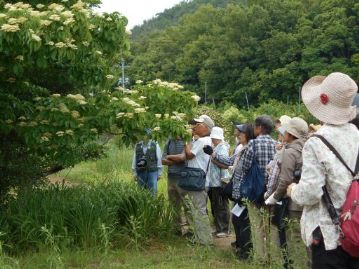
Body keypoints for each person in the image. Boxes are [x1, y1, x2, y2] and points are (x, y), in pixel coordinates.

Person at [286, 72, 359, 269]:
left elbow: (310, 193)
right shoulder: (356, 135)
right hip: (356, 230)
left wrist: (293, 190)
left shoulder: (316, 143)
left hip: (330, 236)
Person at [265, 117, 310, 268]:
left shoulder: (290, 152)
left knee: (295, 239)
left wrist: (274, 197)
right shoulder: (308, 147)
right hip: (309, 200)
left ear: (291, 134)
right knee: (308, 240)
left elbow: (284, 180)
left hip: (294, 202)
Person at [166, 115, 215, 245]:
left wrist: (187, 140)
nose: (194, 126)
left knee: (199, 209)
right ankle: (200, 238)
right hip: (197, 178)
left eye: (198, 125)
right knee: (197, 209)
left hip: (198, 179)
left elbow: (189, 155)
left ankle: (205, 240)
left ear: (206, 127)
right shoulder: (202, 140)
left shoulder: (203, 141)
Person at [206, 127, 230, 238]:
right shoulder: (216, 147)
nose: (213, 140)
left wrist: (213, 155)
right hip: (214, 182)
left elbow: (225, 161)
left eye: (214, 138)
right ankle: (219, 228)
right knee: (216, 205)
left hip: (220, 181)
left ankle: (224, 229)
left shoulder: (222, 147)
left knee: (221, 206)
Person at [162, 137, 187, 234]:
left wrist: (169, 157)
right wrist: (175, 159)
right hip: (171, 176)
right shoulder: (169, 140)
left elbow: (182, 158)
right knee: (173, 203)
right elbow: (162, 160)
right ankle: (176, 228)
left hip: (183, 176)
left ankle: (191, 229)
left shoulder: (186, 140)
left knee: (186, 203)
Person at [132, 128, 162, 196]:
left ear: (150, 136)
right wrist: (134, 173)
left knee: (153, 192)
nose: (144, 136)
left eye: (146, 135)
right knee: (141, 192)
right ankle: (142, 206)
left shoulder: (155, 145)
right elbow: (135, 159)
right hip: (140, 172)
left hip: (152, 172)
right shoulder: (138, 145)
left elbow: (159, 159)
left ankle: (153, 205)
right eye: (143, 135)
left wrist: (159, 173)